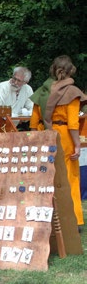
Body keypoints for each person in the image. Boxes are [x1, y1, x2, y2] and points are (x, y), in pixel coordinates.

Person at [29, 55, 87, 230]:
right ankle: (73, 219)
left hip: (43, 136)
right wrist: (77, 144)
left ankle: (42, 217)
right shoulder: (72, 92)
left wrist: (36, 141)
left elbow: (33, 122)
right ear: (70, 71)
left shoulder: (42, 91)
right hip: (63, 138)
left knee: (44, 178)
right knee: (69, 178)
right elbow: (73, 123)